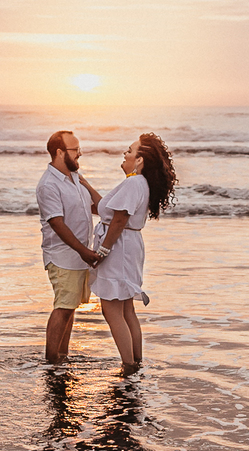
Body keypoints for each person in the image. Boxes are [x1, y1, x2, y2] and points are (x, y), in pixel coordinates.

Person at [89, 133, 176, 372]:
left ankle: (128, 365)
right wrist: (83, 184)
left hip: (120, 247)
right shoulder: (136, 183)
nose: (125, 154)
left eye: (130, 150)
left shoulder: (133, 182)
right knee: (126, 307)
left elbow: (119, 219)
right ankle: (135, 362)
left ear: (139, 160)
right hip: (128, 245)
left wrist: (103, 250)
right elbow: (103, 207)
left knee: (111, 307)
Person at [36, 130, 102, 364]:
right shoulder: (49, 184)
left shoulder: (75, 177)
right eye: (75, 150)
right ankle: (52, 362)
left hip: (78, 257)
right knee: (63, 307)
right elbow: (57, 223)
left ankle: (62, 357)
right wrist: (83, 251)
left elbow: (96, 207)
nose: (80, 153)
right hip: (63, 256)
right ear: (59, 152)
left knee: (70, 307)